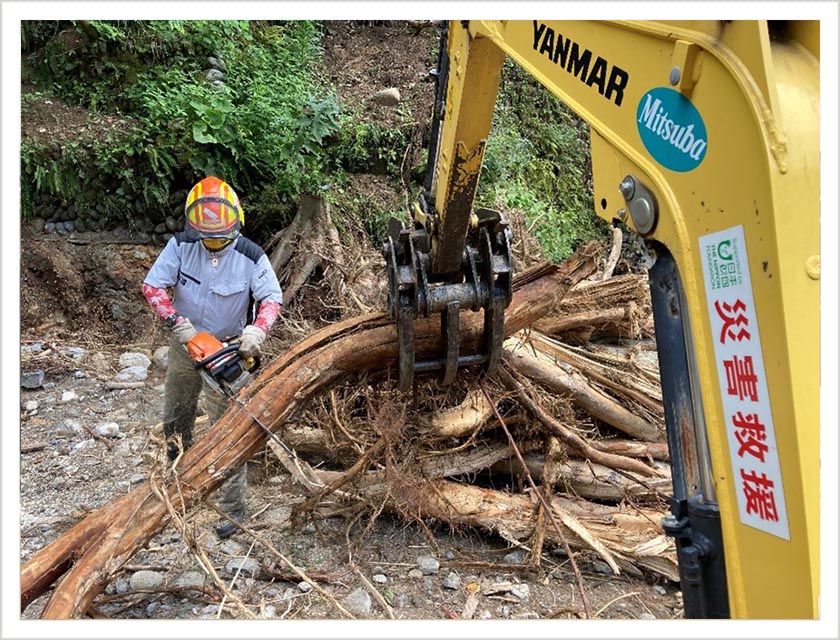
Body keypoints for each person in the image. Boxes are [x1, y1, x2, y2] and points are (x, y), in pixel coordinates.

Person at [142, 176, 283, 538]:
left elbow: (271, 299)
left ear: (236, 219)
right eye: (207, 234)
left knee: (229, 429)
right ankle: (180, 484)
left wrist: (257, 332)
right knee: (176, 415)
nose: (213, 241)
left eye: (220, 233)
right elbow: (153, 286)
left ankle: (235, 510)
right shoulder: (180, 246)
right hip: (186, 343)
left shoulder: (251, 256)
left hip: (228, 349)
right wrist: (178, 324)